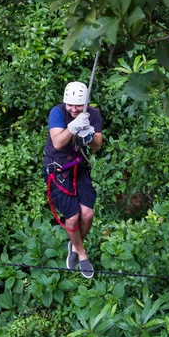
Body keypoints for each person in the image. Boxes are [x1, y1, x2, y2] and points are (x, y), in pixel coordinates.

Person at [43, 81, 102, 278]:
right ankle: (81, 252)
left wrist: (89, 135)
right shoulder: (58, 112)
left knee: (87, 214)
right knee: (73, 216)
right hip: (58, 167)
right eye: (71, 105)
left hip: (79, 166)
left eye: (78, 105)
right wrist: (73, 127)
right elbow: (58, 141)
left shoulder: (92, 114)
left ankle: (74, 245)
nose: (74, 109)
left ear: (85, 103)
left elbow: (97, 146)